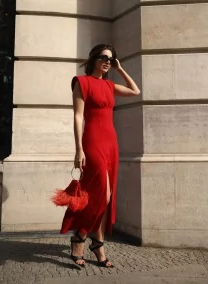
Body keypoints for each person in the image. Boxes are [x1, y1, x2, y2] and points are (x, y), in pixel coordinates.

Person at [60, 44, 140, 268]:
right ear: (93, 58)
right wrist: (79, 149)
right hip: (92, 141)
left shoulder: (109, 84)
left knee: (106, 196)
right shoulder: (81, 82)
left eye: (111, 59)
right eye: (104, 57)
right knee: (100, 195)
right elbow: (78, 117)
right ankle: (81, 237)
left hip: (111, 143)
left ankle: (97, 242)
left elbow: (135, 91)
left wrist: (120, 68)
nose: (108, 62)